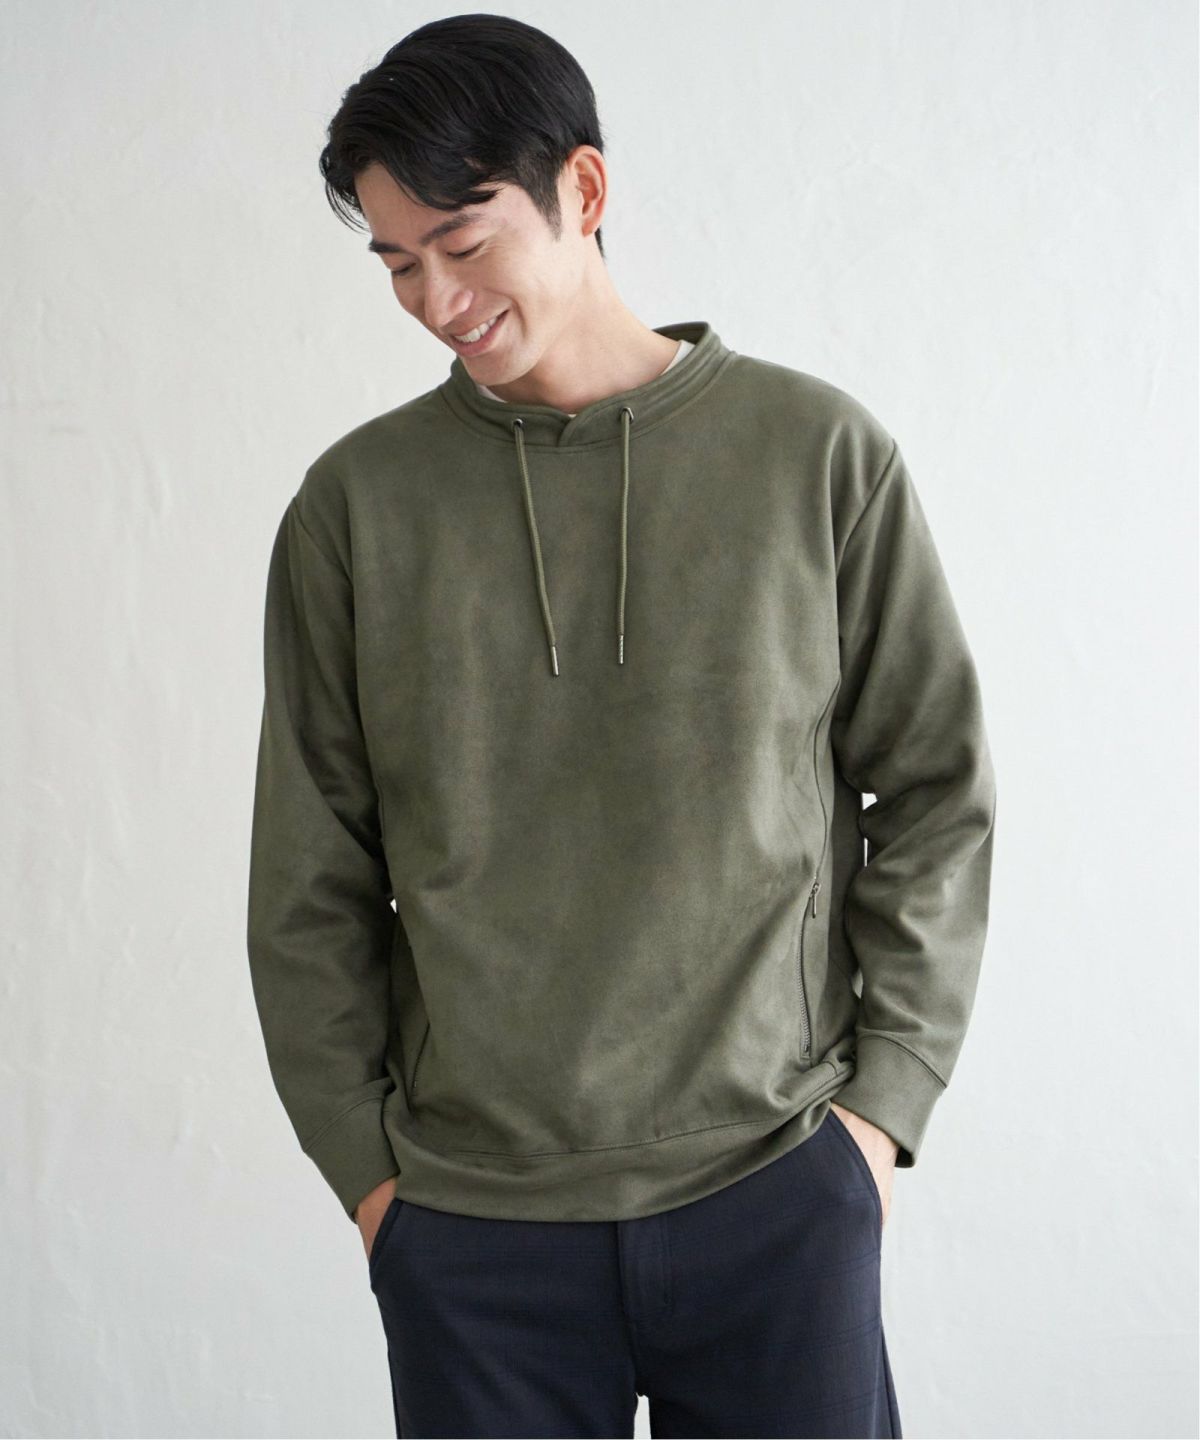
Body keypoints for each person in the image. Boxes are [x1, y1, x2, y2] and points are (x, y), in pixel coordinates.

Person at [246, 14, 996, 1438]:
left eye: (461, 244)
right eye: (397, 264)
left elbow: (936, 789)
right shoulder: (356, 511)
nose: (433, 299)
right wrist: (372, 1181)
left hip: (776, 1186)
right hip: (473, 1231)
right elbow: (310, 873)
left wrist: (879, 1117)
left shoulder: (816, 456)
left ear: (582, 190)